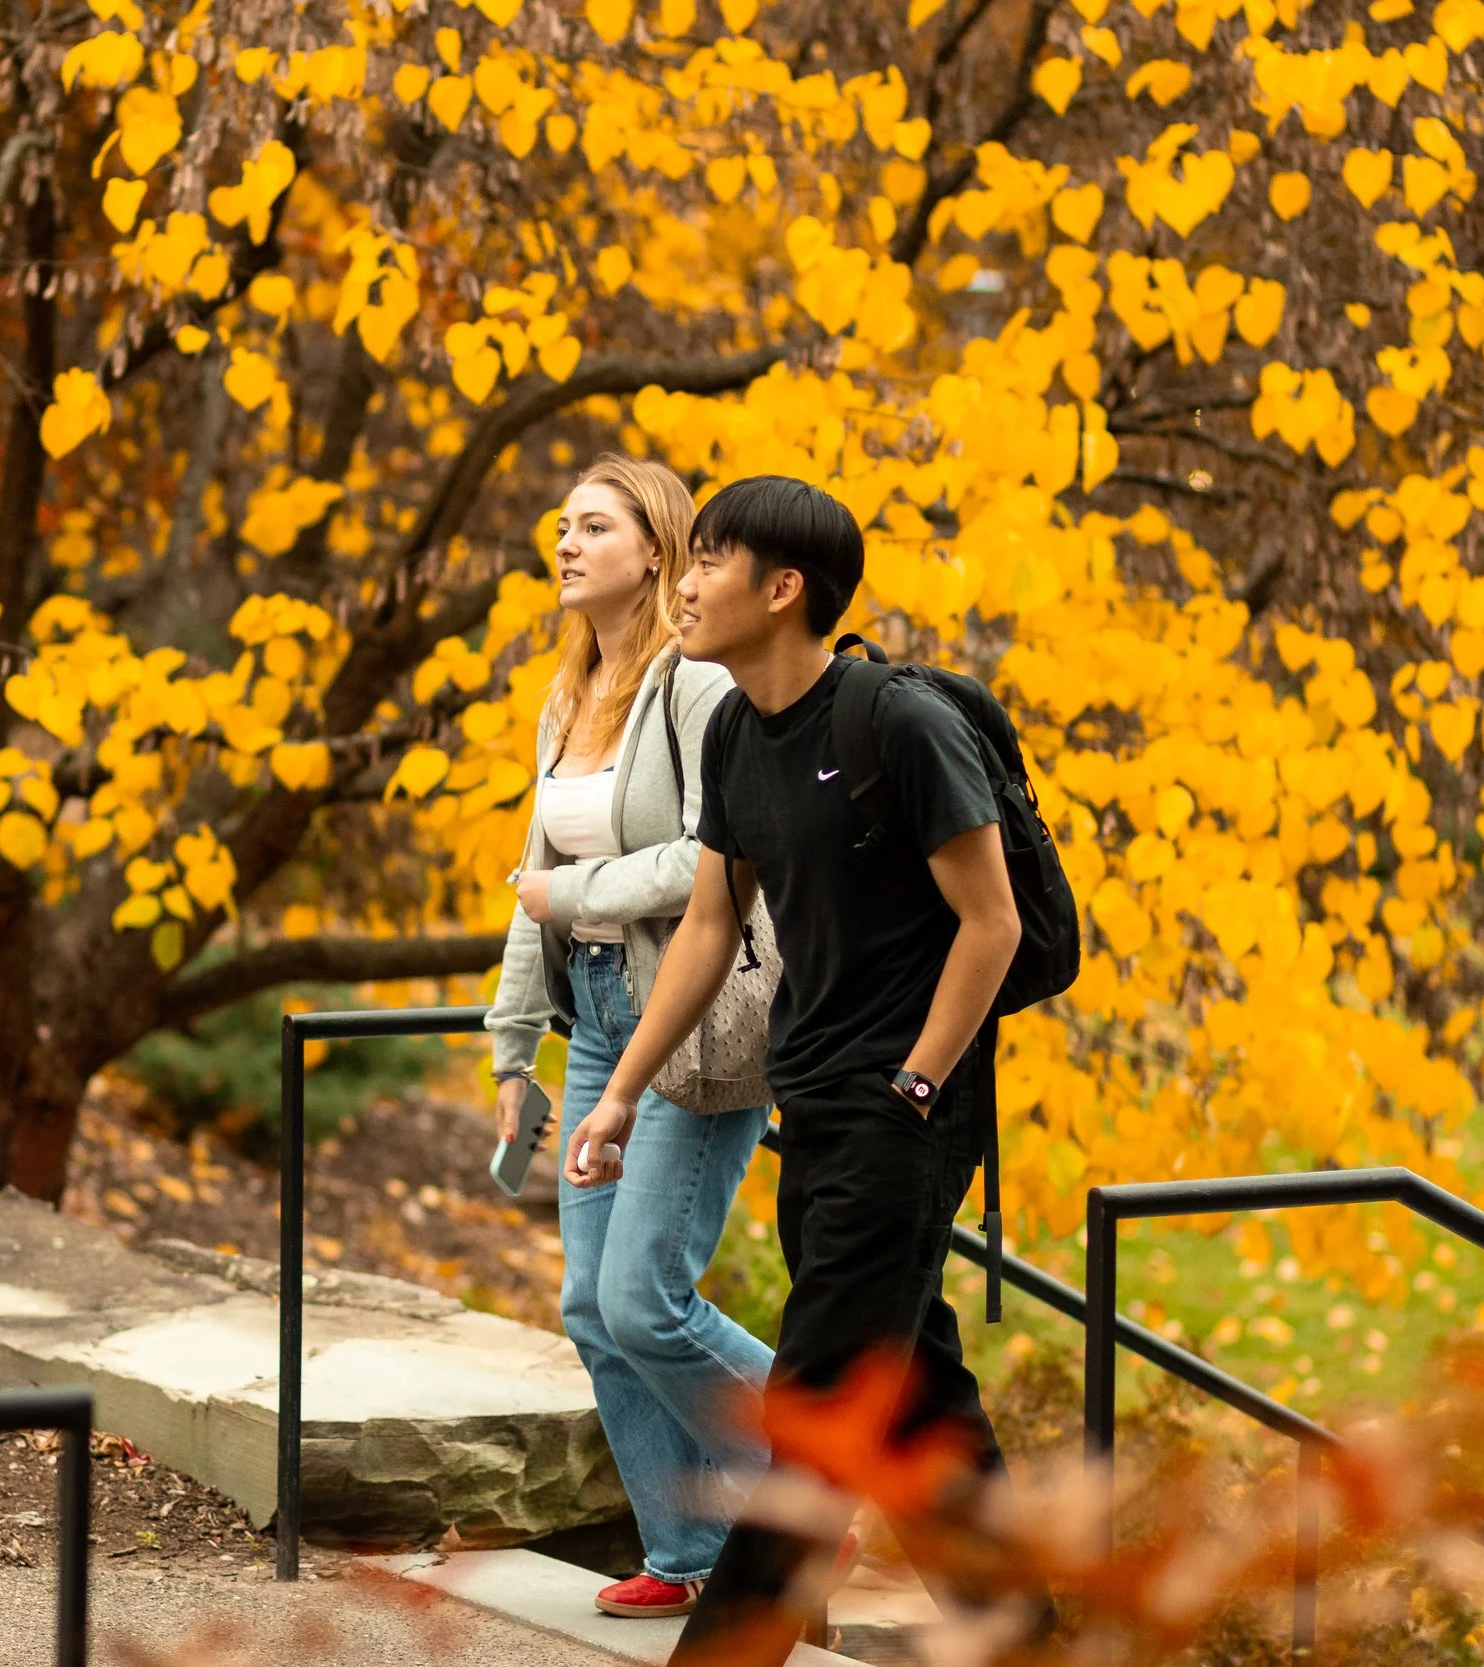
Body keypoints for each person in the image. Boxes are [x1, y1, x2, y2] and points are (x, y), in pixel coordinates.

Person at [563, 475, 1041, 1664]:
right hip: (814, 1093)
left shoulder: (896, 725)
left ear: (784, 590)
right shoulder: (733, 729)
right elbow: (713, 927)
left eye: (710, 559)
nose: (685, 581)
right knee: (918, 1392)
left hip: (905, 1103)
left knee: (815, 1410)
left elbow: (994, 923)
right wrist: (624, 1087)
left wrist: (920, 1083)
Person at [484, 454, 776, 1620]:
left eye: (592, 525)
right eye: (561, 525)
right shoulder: (568, 694)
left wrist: (577, 893)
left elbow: (716, 864)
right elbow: (529, 884)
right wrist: (514, 1049)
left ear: (653, 547)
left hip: (689, 1018)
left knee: (647, 1292)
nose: (565, 541)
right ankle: (690, 1546)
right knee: (590, 1307)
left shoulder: (693, 688)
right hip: (595, 1015)